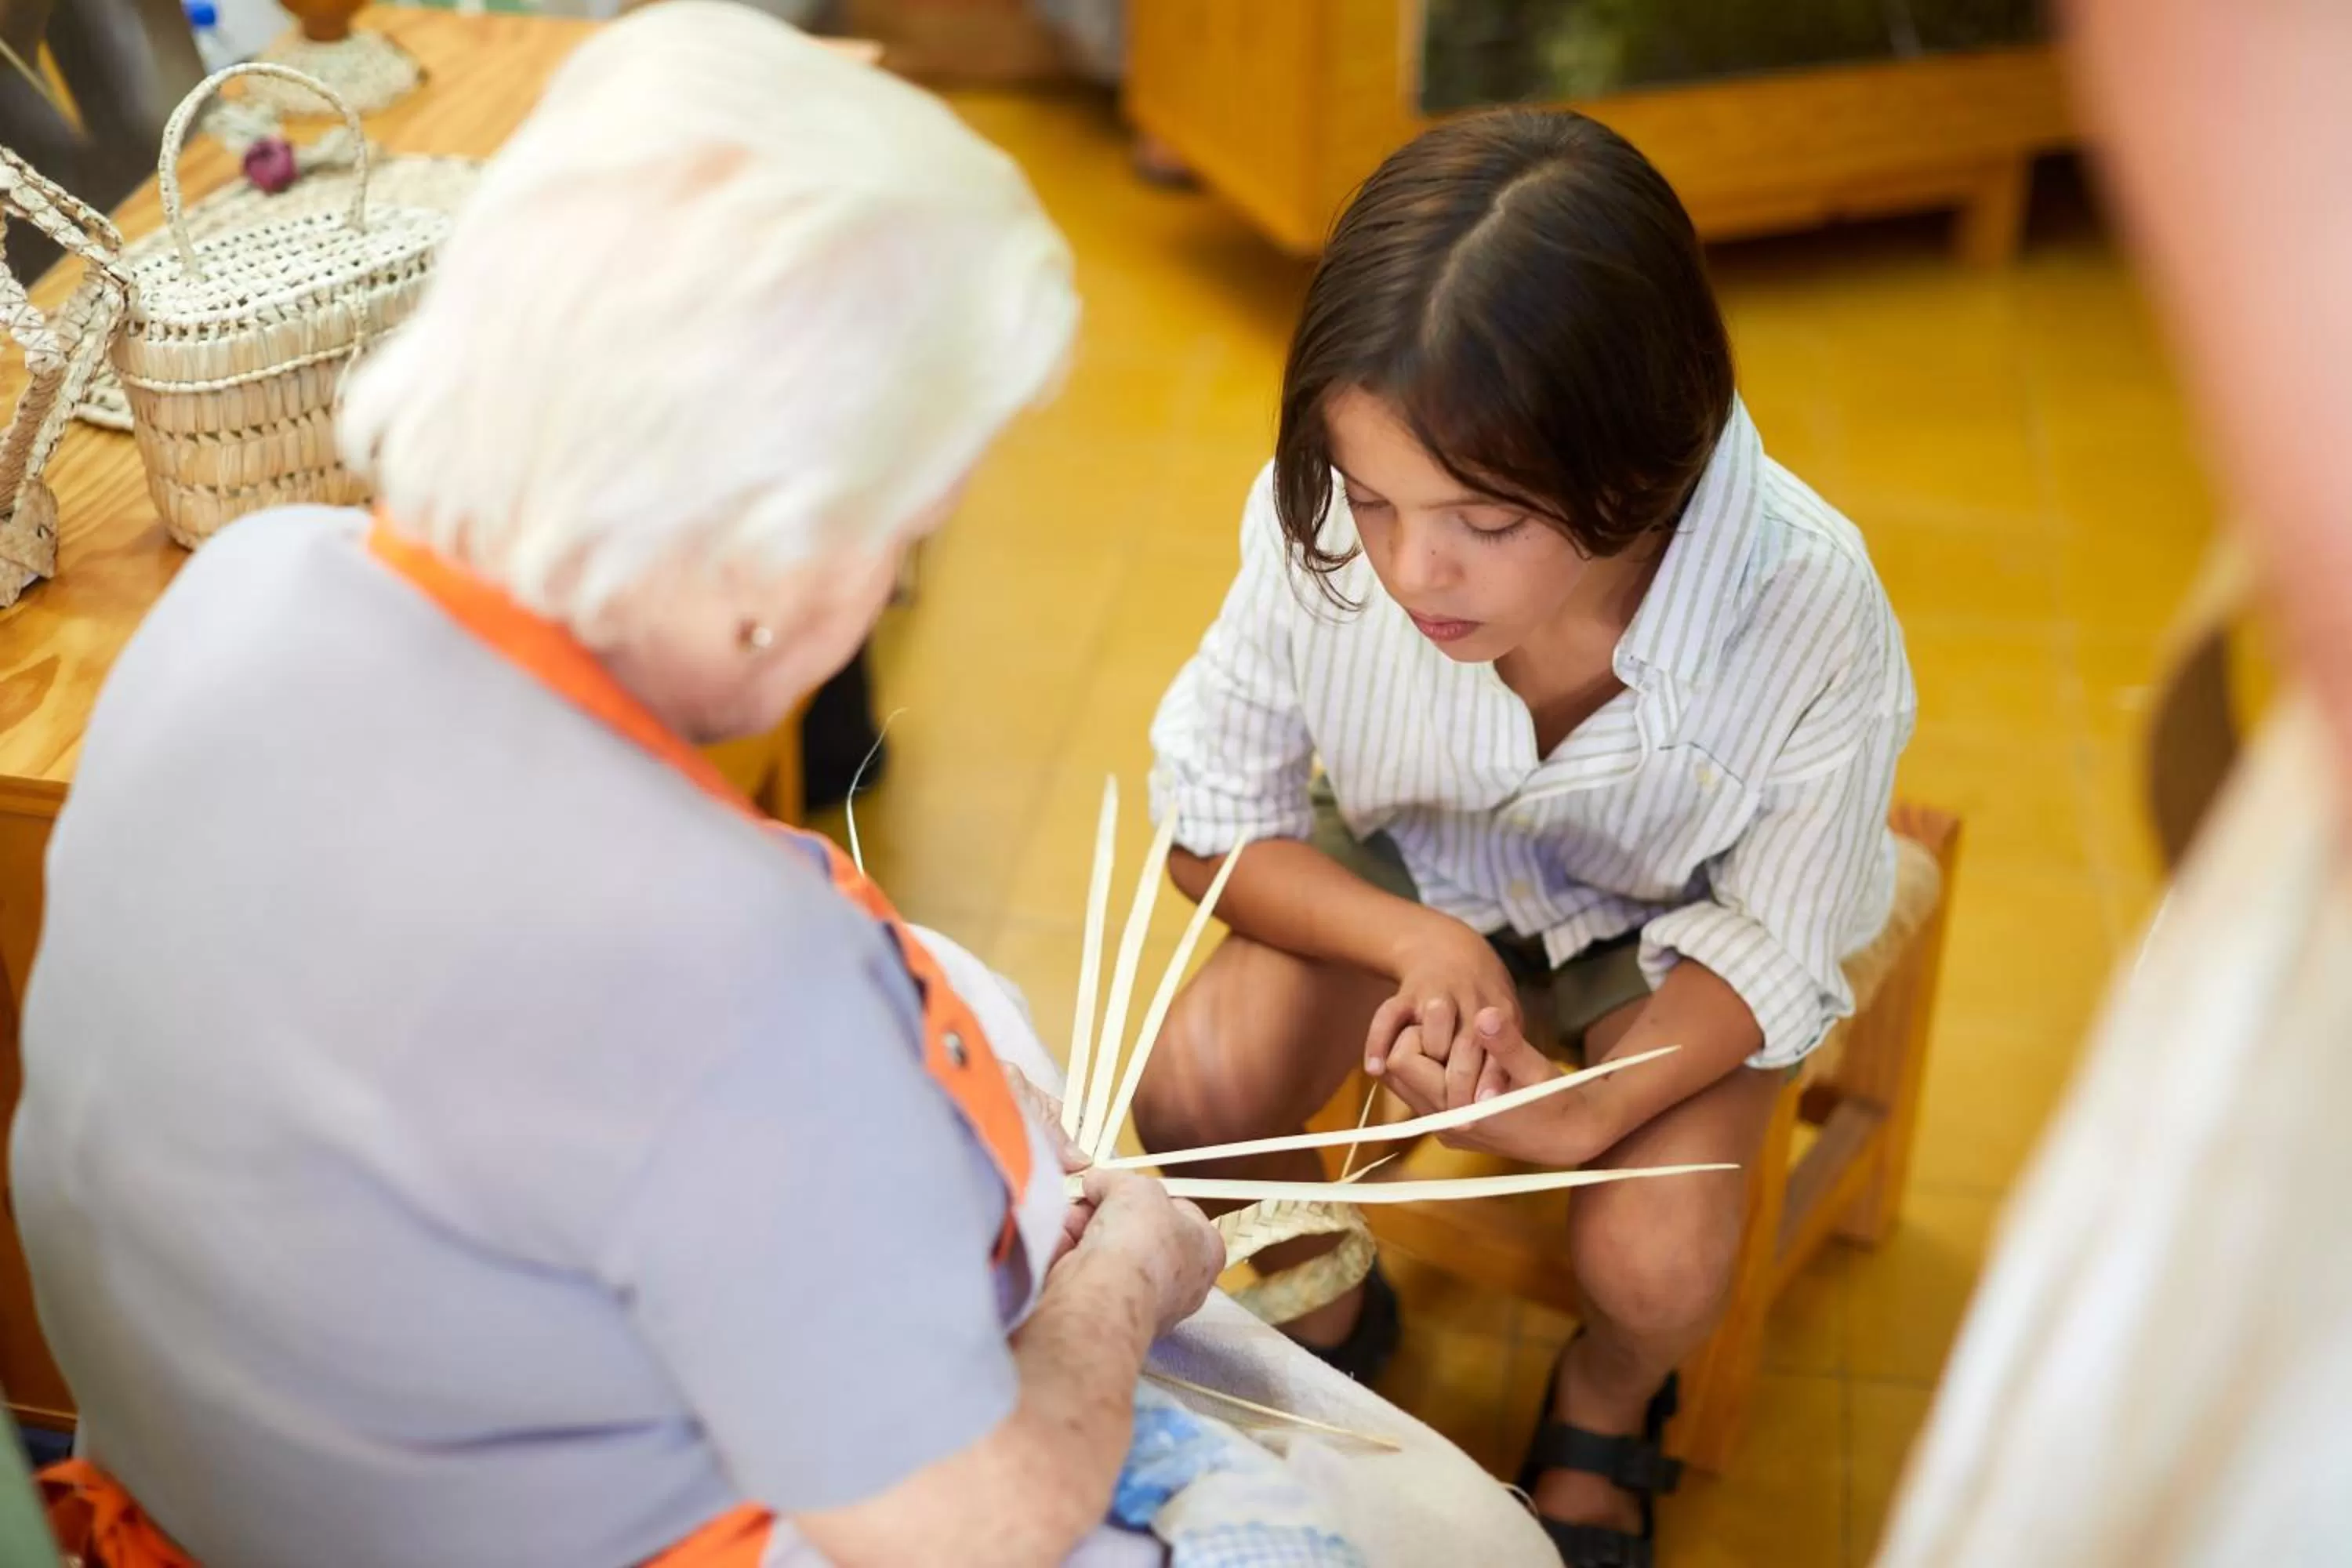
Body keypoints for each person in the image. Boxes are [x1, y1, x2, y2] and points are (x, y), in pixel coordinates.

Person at [9, 8, 1237, 1564]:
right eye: (903, 533)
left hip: (210, 1495)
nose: (893, 588)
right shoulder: (724, 961)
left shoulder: (245, 587)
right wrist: (1122, 1270)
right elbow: (968, 1527)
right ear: (769, 560)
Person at [1136, 109, 1916, 1564]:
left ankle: (1606, 1402)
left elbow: (1782, 936)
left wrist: (1583, 1112)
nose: (1410, 568)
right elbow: (1210, 822)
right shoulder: (1319, 527)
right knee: (1192, 1088)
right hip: (1408, 867)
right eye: (1372, 497)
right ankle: (1335, 1299)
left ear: (1640, 468)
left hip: (1669, 931)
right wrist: (1410, 937)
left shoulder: (1808, 599)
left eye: (1483, 520)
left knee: (1661, 1256)